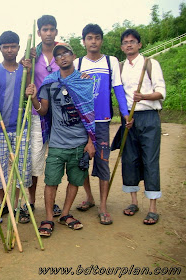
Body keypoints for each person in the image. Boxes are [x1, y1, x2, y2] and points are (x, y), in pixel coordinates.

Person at [26, 43, 96, 237]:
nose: (62, 57)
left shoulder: (85, 81)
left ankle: (65, 214)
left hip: (80, 143)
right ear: (55, 61)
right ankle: (48, 218)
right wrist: (33, 99)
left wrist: (91, 142)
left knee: (75, 180)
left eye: (66, 53)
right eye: (58, 56)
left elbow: (90, 114)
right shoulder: (49, 82)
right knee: (51, 181)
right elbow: (44, 111)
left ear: (73, 56)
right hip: (57, 144)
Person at [73, 24, 131, 225]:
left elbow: (118, 88)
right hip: (82, 122)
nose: (93, 41)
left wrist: (125, 114)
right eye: (89, 38)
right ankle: (89, 197)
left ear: (101, 40)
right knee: (82, 163)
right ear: (84, 41)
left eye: (97, 38)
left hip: (102, 121)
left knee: (103, 161)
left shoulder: (111, 61)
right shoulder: (78, 63)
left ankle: (103, 206)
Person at [118, 29, 165, 225]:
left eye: (132, 42)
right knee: (129, 159)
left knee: (150, 160)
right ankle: (134, 202)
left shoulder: (150, 64)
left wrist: (143, 97)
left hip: (148, 116)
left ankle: (153, 208)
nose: (129, 45)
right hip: (129, 118)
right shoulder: (120, 67)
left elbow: (161, 93)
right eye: (125, 42)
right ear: (122, 47)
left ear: (139, 45)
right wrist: (124, 116)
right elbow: (120, 95)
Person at [0, 31, 32, 223]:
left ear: (18, 48)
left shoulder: (25, 70)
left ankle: (17, 204)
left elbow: (30, 92)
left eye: (13, 46)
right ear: (0, 49)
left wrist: (29, 73)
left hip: (21, 127)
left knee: (20, 169)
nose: (9, 50)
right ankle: (4, 203)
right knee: (0, 170)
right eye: (5, 47)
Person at [25, 15, 62, 217]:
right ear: (39, 32)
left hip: (60, 113)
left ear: (56, 31)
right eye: (45, 30)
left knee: (55, 158)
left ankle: (52, 202)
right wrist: (29, 63)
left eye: (52, 29)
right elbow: (28, 80)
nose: (48, 33)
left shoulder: (62, 52)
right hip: (38, 112)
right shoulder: (33, 54)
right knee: (35, 158)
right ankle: (30, 201)